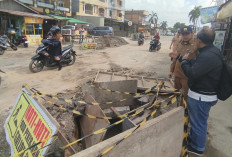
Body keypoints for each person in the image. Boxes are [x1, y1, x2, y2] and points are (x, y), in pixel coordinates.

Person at [177, 27, 223, 156]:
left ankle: (197, 148)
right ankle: (194, 139)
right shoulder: (211, 51)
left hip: (201, 97)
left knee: (198, 123)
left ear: (199, 40)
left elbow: (192, 73)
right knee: (197, 121)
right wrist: (183, 59)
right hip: (202, 95)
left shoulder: (207, 56)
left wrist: (184, 62)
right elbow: (197, 63)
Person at [169, 26, 198, 99]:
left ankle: (184, 109)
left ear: (192, 33)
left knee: (185, 96)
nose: (185, 36)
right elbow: (175, 59)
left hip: (187, 76)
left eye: (187, 34)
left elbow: (199, 61)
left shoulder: (196, 44)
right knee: (176, 93)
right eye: (183, 34)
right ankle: (177, 106)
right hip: (177, 73)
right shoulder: (179, 43)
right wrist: (171, 71)